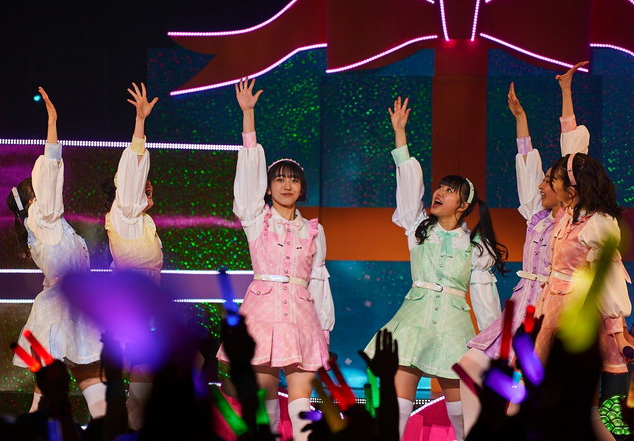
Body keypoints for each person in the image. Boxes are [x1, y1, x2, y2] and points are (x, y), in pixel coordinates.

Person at [363, 96, 508, 441]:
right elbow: (408, 190)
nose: (439, 192)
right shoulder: (418, 228)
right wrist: (400, 136)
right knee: (397, 405)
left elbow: (485, 301)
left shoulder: (475, 246)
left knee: (463, 413)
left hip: (453, 329)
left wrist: (492, 347)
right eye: (440, 187)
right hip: (413, 320)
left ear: (463, 205)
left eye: (449, 190)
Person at [459, 62, 591, 432]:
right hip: (521, 304)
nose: (540, 186)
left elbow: (573, 151)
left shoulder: (575, 219)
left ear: (567, 187)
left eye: (549, 181)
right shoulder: (537, 215)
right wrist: (520, 118)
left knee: (532, 394)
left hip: (549, 308)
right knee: (470, 366)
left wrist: (566, 93)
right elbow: (526, 166)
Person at [217, 78, 335, 441]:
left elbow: (319, 281)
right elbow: (248, 176)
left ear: (302, 188)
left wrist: (324, 331)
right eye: (279, 180)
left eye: (293, 180)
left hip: (302, 318)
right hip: (263, 315)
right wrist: (248, 117)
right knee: (265, 403)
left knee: (301, 404)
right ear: (268, 188)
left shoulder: (313, 230)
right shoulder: (257, 220)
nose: (287, 185)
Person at [7, 87, 105, 419]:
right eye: (40, 189)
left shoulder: (48, 224)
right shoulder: (42, 218)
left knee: (84, 379)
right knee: (58, 384)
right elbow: (50, 168)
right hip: (62, 307)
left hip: (72, 304)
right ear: (33, 199)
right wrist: (52, 124)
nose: (47, 191)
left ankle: (106, 428)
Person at [103, 82, 163, 431]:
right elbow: (133, 173)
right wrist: (140, 123)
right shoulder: (124, 212)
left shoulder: (140, 220)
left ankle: (131, 420)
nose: (146, 186)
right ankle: (126, 422)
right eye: (142, 184)